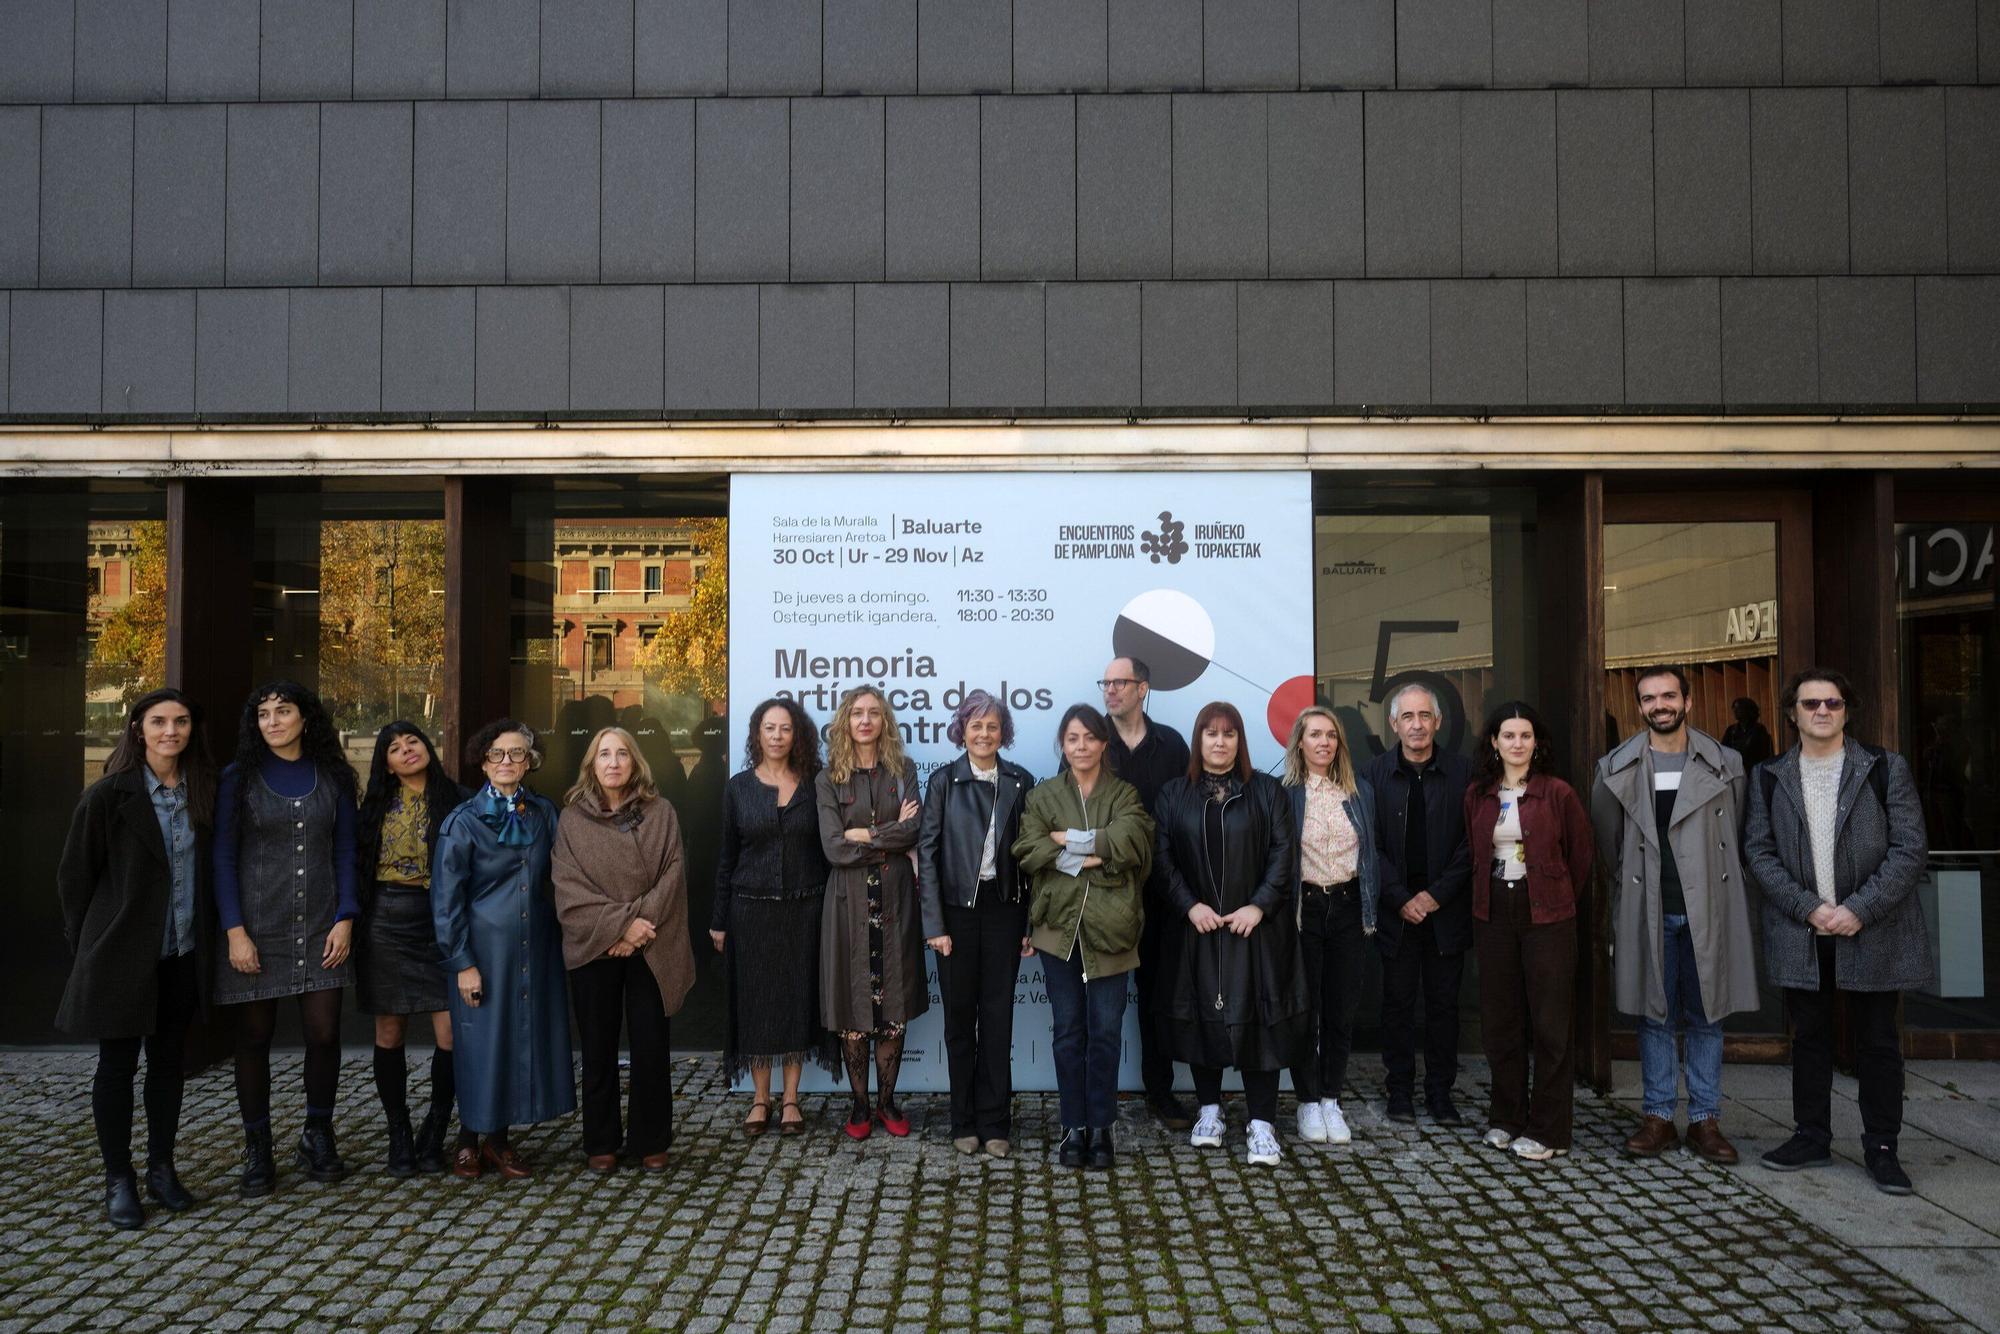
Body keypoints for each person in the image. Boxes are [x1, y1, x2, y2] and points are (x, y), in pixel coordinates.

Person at [1745, 668, 1932, 1194]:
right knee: (1809, 1039)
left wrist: (1860, 909)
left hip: (1872, 931)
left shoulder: (1883, 768)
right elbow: (1758, 852)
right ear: (1792, 714)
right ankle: (1811, 1136)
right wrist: (1808, 907)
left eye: (1832, 703)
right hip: (1803, 933)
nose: (1822, 712)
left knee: (1877, 1042)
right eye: (1810, 704)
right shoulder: (1768, 776)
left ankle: (1882, 1147)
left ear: (1847, 710)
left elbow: (1909, 848)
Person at [56, 688, 218, 1229]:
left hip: (181, 952)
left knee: (168, 1064)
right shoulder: (108, 796)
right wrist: (90, 948)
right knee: (118, 1066)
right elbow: (75, 878)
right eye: (159, 722)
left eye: (181, 721)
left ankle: (162, 1168)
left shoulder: (203, 792)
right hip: (121, 955)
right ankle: (118, 1178)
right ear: (138, 729)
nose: (171, 731)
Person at [1591, 665, 1759, 1164]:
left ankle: (1706, 1121)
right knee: (1654, 1014)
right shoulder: (1614, 768)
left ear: (1687, 701)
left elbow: (1739, 837)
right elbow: (1610, 845)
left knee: (1709, 1014)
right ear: (1638, 707)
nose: (1659, 705)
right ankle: (1659, 1116)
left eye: (1668, 695)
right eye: (1648, 698)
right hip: (1649, 907)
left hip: (1709, 905)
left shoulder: (1726, 764)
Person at [213, 680, 359, 1196]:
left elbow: (346, 850)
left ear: (305, 717)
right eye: (263, 713)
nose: (272, 721)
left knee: (324, 1033)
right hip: (257, 927)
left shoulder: (334, 776)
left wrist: (346, 916)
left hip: (323, 923)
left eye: (283, 710)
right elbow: (223, 858)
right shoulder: (238, 779)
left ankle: (318, 1133)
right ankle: (258, 1148)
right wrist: (235, 932)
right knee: (253, 1038)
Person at [1155, 701, 1305, 1167]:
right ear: (1198, 741)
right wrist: (1188, 905)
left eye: (1229, 734)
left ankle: (1262, 1123)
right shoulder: (1174, 794)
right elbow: (1161, 859)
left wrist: (1259, 905)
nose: (1220, 742)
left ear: (1240, 741)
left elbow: (1285, 854)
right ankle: (1209, 1111)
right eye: (1211, 734)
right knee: (1204, 1020)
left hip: (1255, 930)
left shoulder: (1266, 791)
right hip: (1197, 928)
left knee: (1261, 1021)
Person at [432, 720, 576, 1179]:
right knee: (480, 1044)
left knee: (519, 1040)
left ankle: (499, 1141)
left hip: (534, 949)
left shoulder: (544, 813)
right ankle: (469, 1139)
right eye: (498, 754)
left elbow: (566, 873)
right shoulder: (462, 822)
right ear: (483, 760)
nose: (508, 762)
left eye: (517, 754)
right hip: (483, 954)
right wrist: (462, 964)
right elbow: (445, 900)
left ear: (530, 761)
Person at [1013, 704, 1153, 1169]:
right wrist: (1093, 847)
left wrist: (1068, 841)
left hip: (1113, 929)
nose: (1081, 746)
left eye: (1090, 738)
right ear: (1063, 745)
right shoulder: (1043, 794)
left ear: (1103, 744)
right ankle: (1074, 1125)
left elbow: (1133, 840)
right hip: (1057, 930)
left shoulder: (1125, 793)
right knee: (1069, 1032)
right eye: (1072, 739)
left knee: (1107, 1033)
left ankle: (1103, 1128)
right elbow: (1028, 847)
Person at [553, 726, 695, 1172]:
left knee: (652, 1045)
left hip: (652, 942)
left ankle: (650, 1139)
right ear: (591, 765)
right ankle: (601, 1141)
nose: (613, 762)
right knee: (597, 1046)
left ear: (635, 762)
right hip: (597, 946)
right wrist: (618, 928)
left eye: (621, 754)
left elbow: (673, 871)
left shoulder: (661, 812)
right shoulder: (572, 819)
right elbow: (567, 885)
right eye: (603, 754)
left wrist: (638, 926)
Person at [1465, 702, 1594, 1162]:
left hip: (1549, 914)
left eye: (1525, 735)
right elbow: (1475, 853)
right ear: (1494, 743)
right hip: (1493, 909)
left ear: (1536, 743)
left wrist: (1553, 896)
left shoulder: (1558, 794)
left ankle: (1550, 1129)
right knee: (1502, 1021)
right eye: (1508, 735)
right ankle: (1506, 1117)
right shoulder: (1479, 794)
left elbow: (1580, 858)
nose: (1517, 743)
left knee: (1550, 1023)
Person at [919, 690, 1037, 1158]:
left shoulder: (1020, 781)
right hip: (956, 915)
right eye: (976, 725)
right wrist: (934, 923)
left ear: (1003, 732)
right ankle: (963, 1120)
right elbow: (927, 856)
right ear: (962, 730)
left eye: (992, 726)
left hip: (1004, 911)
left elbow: (1030, 860)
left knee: (998, 1019)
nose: (984, 734)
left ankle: (995, 1123)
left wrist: (1028, 921)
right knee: (958, 1020)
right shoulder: (944, 782)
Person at [710, 697, 833, 1137]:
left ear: (796, 734)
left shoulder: (818, 785)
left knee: (799, 1001)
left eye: (785, 728)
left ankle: (791, 1099)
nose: (777, 736)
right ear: (756, 734)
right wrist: (719, 919)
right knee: (758, 1004)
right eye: (769, 728)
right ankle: (760, 1099)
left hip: (807, 909)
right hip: (751, 912)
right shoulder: (739, 787)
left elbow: (829, 848)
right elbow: (726, 858)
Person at [354, 721, 468, 1177]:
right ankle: (398, 1134)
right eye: (395, 749)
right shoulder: (374, 807)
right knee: (390, 1032)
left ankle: (435, 1131)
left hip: (441, 920)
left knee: (451, 1034)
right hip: (386, 920)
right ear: (385, 762)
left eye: (413, 742)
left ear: (428, 746)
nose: (406, 752)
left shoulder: (458, 799)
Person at [817, 686, 926, 1140]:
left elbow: (914, 829)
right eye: (857, 713)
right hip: (848, 903)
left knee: (893, 1004)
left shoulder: (903, 770)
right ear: (846, 720)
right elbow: (832, 847)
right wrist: (885, 834)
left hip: (896, 901)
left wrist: (864, 833)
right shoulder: (828, 778)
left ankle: (887, 1102)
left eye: (874, 713)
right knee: (853, 1005)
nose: (865, 720)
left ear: (885, 721)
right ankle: (860, 1106)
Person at [1363, 683, 1473, 1126]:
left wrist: (1436, 895)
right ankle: (1401, 1090)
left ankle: (1441, 1093)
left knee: (1445, 1006)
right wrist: (1401, 897)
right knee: (1398, 1004)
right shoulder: (1373, 775)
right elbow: (1367, 844)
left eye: (1424, 716)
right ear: (1393, 724)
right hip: (1397, 913)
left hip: (1446, 910)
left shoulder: (1464, 774)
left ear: (1438, 722)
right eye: (1407, 717)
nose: (1416, 725)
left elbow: (1472, 844)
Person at [1099, 656, 1195, 1130]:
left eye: (1121, 683)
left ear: (1143, 688)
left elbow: (1186, 815)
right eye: (1107, 683)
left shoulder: (1173, 745)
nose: (1111, 690)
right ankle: (1096, 1100)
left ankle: (1160, 1094)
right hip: (1106, 894)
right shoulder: (1090, 741)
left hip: (1163, 893)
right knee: (1104, 1000)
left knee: (1159, 996)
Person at [1279, 705, 1380, 1147]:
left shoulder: (1359, 793)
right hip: (1304, 908)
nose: (1324, 742)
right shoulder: (1286, 795)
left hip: (1348, 906)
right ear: (1299, 742)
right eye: (1315, 734)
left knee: (1341, 1009)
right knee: (1305, 1010)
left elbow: (1373, 856)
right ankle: (1305, 1100)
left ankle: (1331, 1098)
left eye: (1331, 735)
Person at [1722, 697, 1774, 771]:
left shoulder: (1759, 729)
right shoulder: (1731, 730)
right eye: (1734, 708)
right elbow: (1724, 749)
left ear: (1748, 710)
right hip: (1736, 769)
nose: (1735, 711)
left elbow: (1764, 754)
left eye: (1738, 708)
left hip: (1754, 769)